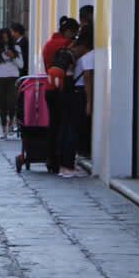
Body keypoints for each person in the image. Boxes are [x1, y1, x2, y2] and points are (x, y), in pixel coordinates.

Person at [42, 17, 79, 172]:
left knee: (53, 124)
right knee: (64, 125)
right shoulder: (67, 45)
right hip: (63, 88)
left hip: (49, 87)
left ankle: (51, 159)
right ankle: (61, 158)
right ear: (69, 32)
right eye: (74, 33)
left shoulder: (48, 44)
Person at [56, 27, 94, 178]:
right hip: (79, 95)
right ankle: (68, 166)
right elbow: (88, 79)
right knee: (73, 130)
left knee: (67, 129)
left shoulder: (75, 55)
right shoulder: (89, 57)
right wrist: (89, 102)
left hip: (69, 94)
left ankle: (64, 164)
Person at [0, 27, 24, 140]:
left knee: (12, 102)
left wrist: (13, 57)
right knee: (2, 104)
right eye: (3, 38)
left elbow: (21, 65)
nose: (5, 40)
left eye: (7, 37)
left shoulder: (16, 48)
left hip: (13, 77)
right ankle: (4, 130)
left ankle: (11, 121)